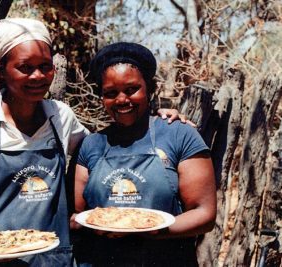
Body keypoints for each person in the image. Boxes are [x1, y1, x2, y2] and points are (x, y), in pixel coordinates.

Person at [0, 18, 189, 266]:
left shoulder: (61, 117)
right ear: (0, 70)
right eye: (25, 67)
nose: (38, 76)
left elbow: (105, 152)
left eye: (45, 66)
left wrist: (159, 121)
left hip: (53, 260)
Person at [71, 42, 216, 267]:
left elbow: (204, 213)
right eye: (110, 93)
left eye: (131, 89)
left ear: (150, 88)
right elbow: (81, 213)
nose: (121, 100)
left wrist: (149, 228)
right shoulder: (91, 144)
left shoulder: (179, 134)